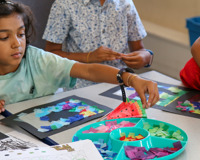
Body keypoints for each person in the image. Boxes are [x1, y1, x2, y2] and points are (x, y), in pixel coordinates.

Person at [0, 0, 159, 114]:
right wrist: (90, 56)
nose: (17, 43)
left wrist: (131, 78)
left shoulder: (38, 58)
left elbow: (88, 71)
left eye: (21, 34)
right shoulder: (65, 5)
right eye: (4, 37)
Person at [42, 0, 153, 88]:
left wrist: (145, 57)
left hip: (120, 86)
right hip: (81, 88)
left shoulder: (125, 3)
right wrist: (89, 57)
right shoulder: (64, 5)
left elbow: (139, 49)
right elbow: (50, 55)